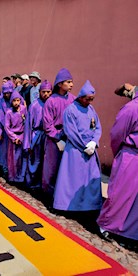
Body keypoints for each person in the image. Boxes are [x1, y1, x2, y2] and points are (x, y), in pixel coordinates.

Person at [97, 83, 138, 248]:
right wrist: (119, 154)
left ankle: (129, 230)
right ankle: (107, 224)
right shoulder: (131, 108)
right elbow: (117, 134)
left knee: (135, 199)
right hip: (130, 154)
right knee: (120, 192)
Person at [53, 80, 102, 213]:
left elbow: (97, 127)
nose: (90, 102)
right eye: (88, 99)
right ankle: (68, 206)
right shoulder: (70, 110)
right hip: (76, 149)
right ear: (81, 97)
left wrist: (94, 142)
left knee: (91, 180)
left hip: (90, 150)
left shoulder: (91, 109)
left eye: (92, 99)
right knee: (72, 180)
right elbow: (71, 131)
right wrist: (84, 146)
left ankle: (90, 205)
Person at [42, 68, 76, 206]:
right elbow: (47, 123)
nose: (71, 85)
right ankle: (50, 198)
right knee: (51, 169)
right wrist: (57, 138)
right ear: (60, 84)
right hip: (53, 140)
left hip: (69, 139)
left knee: (67, 170)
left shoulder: (74, 100)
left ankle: (64, 200)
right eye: (68, 82)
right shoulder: (51, 101)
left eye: (72, 82)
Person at [23, 80, 52, 190]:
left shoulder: (52, 104)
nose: (46, 94)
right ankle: (31, 183)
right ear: (39, 92)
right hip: (36, 135)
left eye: (48, 92)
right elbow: (28, 125)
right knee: (35, 160)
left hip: (48, 136)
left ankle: (43, 183)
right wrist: (28, 142)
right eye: (44, 92)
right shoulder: (34, 105)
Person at [5, 90, 27, 184]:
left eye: (18, 100)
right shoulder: (9, 112)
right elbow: (7, 127)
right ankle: (13, 177)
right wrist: (14, 138)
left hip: (22, 135)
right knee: (13, 158)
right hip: (13, 137)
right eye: (14, 101)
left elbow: (27, 122)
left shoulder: (23, 109)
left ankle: (21, 177)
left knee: (22, 158)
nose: (16, 103)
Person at [0, 81, 13, 177]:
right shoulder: (0, 101)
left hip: (14, 131)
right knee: (4, 150)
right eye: (5, 93)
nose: (6, 95)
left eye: (8, 93)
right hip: (4, 130)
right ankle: (5, 168)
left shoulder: (17, 99)